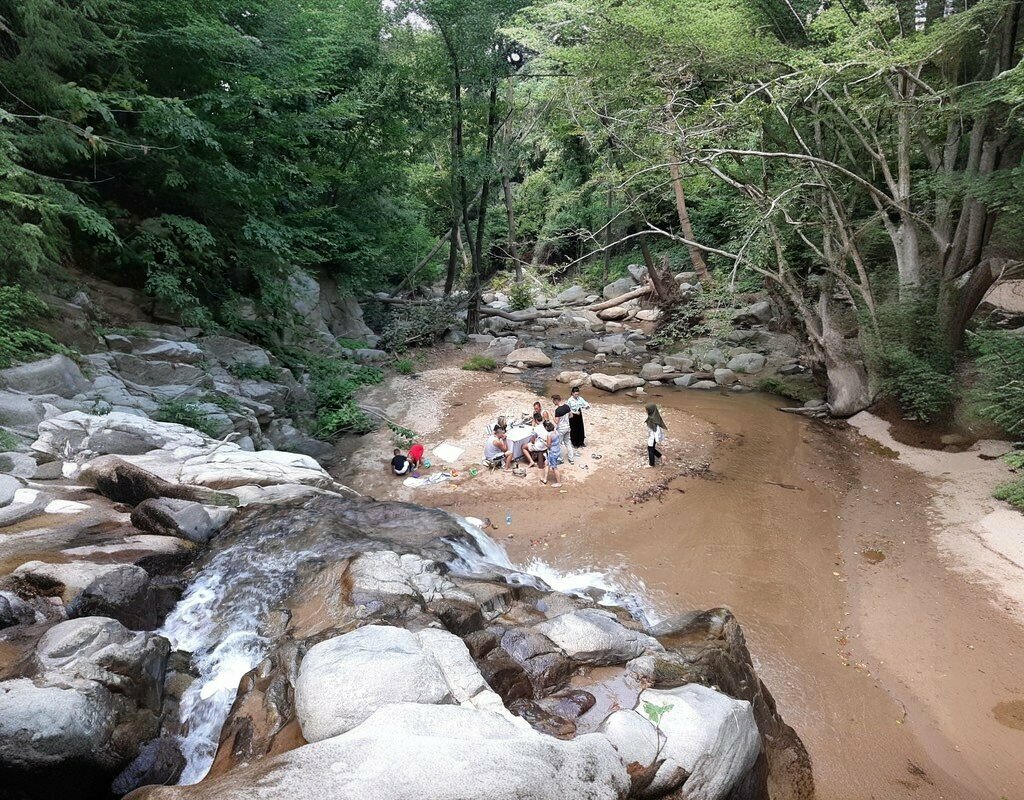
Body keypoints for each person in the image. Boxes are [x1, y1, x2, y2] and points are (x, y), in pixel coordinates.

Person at [551, 394, 574, 464]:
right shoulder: (567, 406)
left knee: (559, 444)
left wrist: (552, 416)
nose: (553, 402)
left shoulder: (557, 410)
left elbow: (556, 422)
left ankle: (560, 459)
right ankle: (571, 458)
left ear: (556, 400)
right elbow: (571, 415)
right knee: (567, 443)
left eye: (553, 401)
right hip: (567, 427)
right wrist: (566, 419)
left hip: (561, 429)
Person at [540, 421, 562, 488]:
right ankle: (545, 479)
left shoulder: (549, 435)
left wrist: (543, 442)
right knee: (547, 463)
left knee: (554, 467)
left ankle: (559, 483)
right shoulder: (556, 431)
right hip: (557, 450)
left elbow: (548, 445)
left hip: (553, 452)